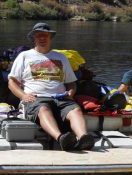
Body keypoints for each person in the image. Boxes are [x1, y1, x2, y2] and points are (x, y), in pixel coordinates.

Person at [8, 22, 94, 151]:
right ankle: (61, 139)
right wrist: (23, 96)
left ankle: (84, 138)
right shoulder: (24, 56)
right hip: (36, 98)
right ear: (34, 38)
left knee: (75, 110)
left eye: (45, 35)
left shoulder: (61, 57)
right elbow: (12, 82)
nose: (42, 38)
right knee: (43, 109)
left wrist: (71, 92)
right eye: (39, 36)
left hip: (61, 98)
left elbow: (71, 83)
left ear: (50, 37)